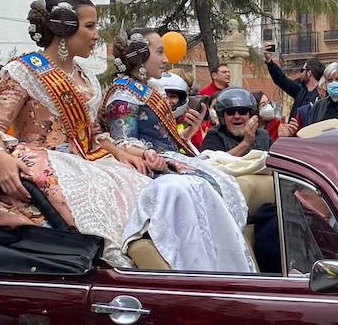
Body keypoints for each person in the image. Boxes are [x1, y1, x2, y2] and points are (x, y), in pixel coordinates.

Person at [0, 0, 157, 269]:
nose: (96, 36)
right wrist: (2, 157)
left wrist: (119, 152)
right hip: (47, 163)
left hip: (87, 161)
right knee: (97, 195)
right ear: (64, 28)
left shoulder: (87, 76)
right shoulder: (23, 71)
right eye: (89, 26)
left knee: (145, 185)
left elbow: (91, 132)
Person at [104, 31, 256, 273]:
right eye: (159, 52)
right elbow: (123, 141)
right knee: (196, 187)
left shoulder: (149, 87)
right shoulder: (123, 94)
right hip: (150, 163)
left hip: (168, 154)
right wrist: (148, 155)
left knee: (216, 177)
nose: (166, 59)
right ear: (140, 55)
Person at [202, 87, 273, 156]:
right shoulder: (214, 135)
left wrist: (282, 139)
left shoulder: (263, 136)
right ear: (223, 117)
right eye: (231, 112)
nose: (237, 116)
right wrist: (246, 143)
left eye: (242, 111)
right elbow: (212, 163)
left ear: (250, 116)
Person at [265, 52, 324, 120]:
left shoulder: (322, 94)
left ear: (309, 73)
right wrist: (269, 62)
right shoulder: (300, 90)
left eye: (302, 70)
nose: (300, 73)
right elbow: (281, 80)